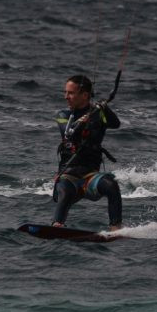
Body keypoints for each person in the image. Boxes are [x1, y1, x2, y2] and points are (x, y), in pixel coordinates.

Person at [52, 75, 122, 231]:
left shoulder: (98, 113)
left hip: (91, 177)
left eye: (70, 93)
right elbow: (68, 135)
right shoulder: (63, 115)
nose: (66, 97)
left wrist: (103, 107)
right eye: (65, 92)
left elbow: (116, 124)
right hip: (68, 174)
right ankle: (57, 225)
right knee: (64, 191)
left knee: (112, 186)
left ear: (84, 95)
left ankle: (116, 229)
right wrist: (80, 123)